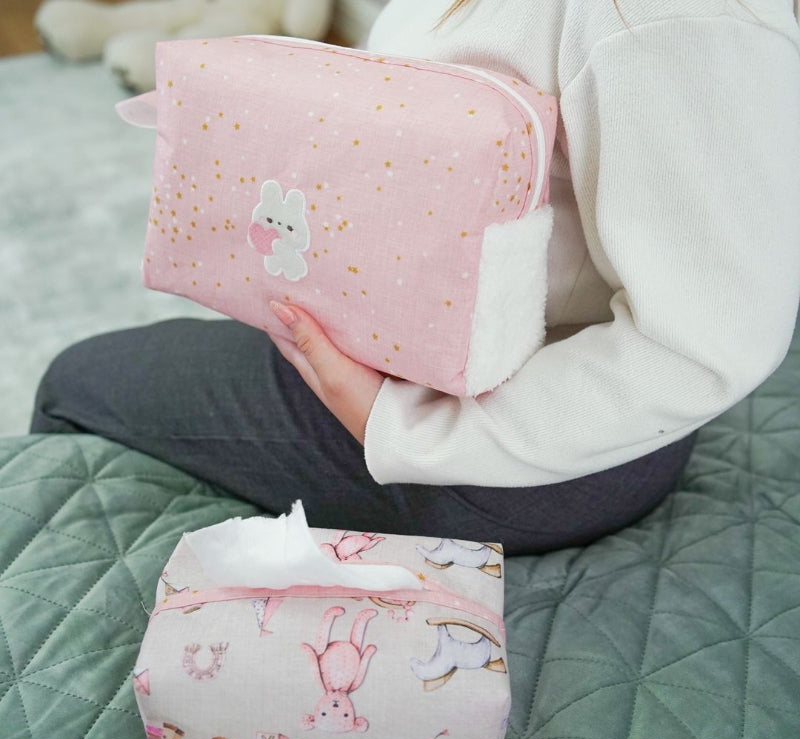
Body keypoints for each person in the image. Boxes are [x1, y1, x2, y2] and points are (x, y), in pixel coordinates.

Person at [30, 0, 800, 555]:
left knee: (76, 383)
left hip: (513, 441)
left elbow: (711, 336)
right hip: (430, 368)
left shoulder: (675, 21)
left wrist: (412, 430)